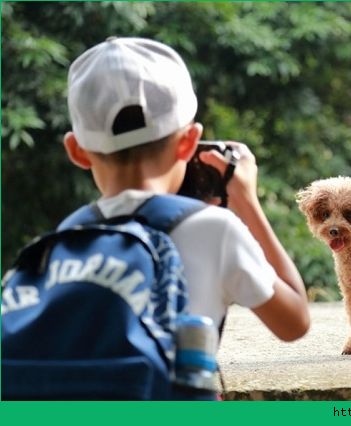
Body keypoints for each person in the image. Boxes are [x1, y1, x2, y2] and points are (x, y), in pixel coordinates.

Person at [63, 37, 310, 343]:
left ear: (76, 150)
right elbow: (295, 322)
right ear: (189, 141)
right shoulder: (215, 230)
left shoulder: (68, 236)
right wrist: (247, 202)